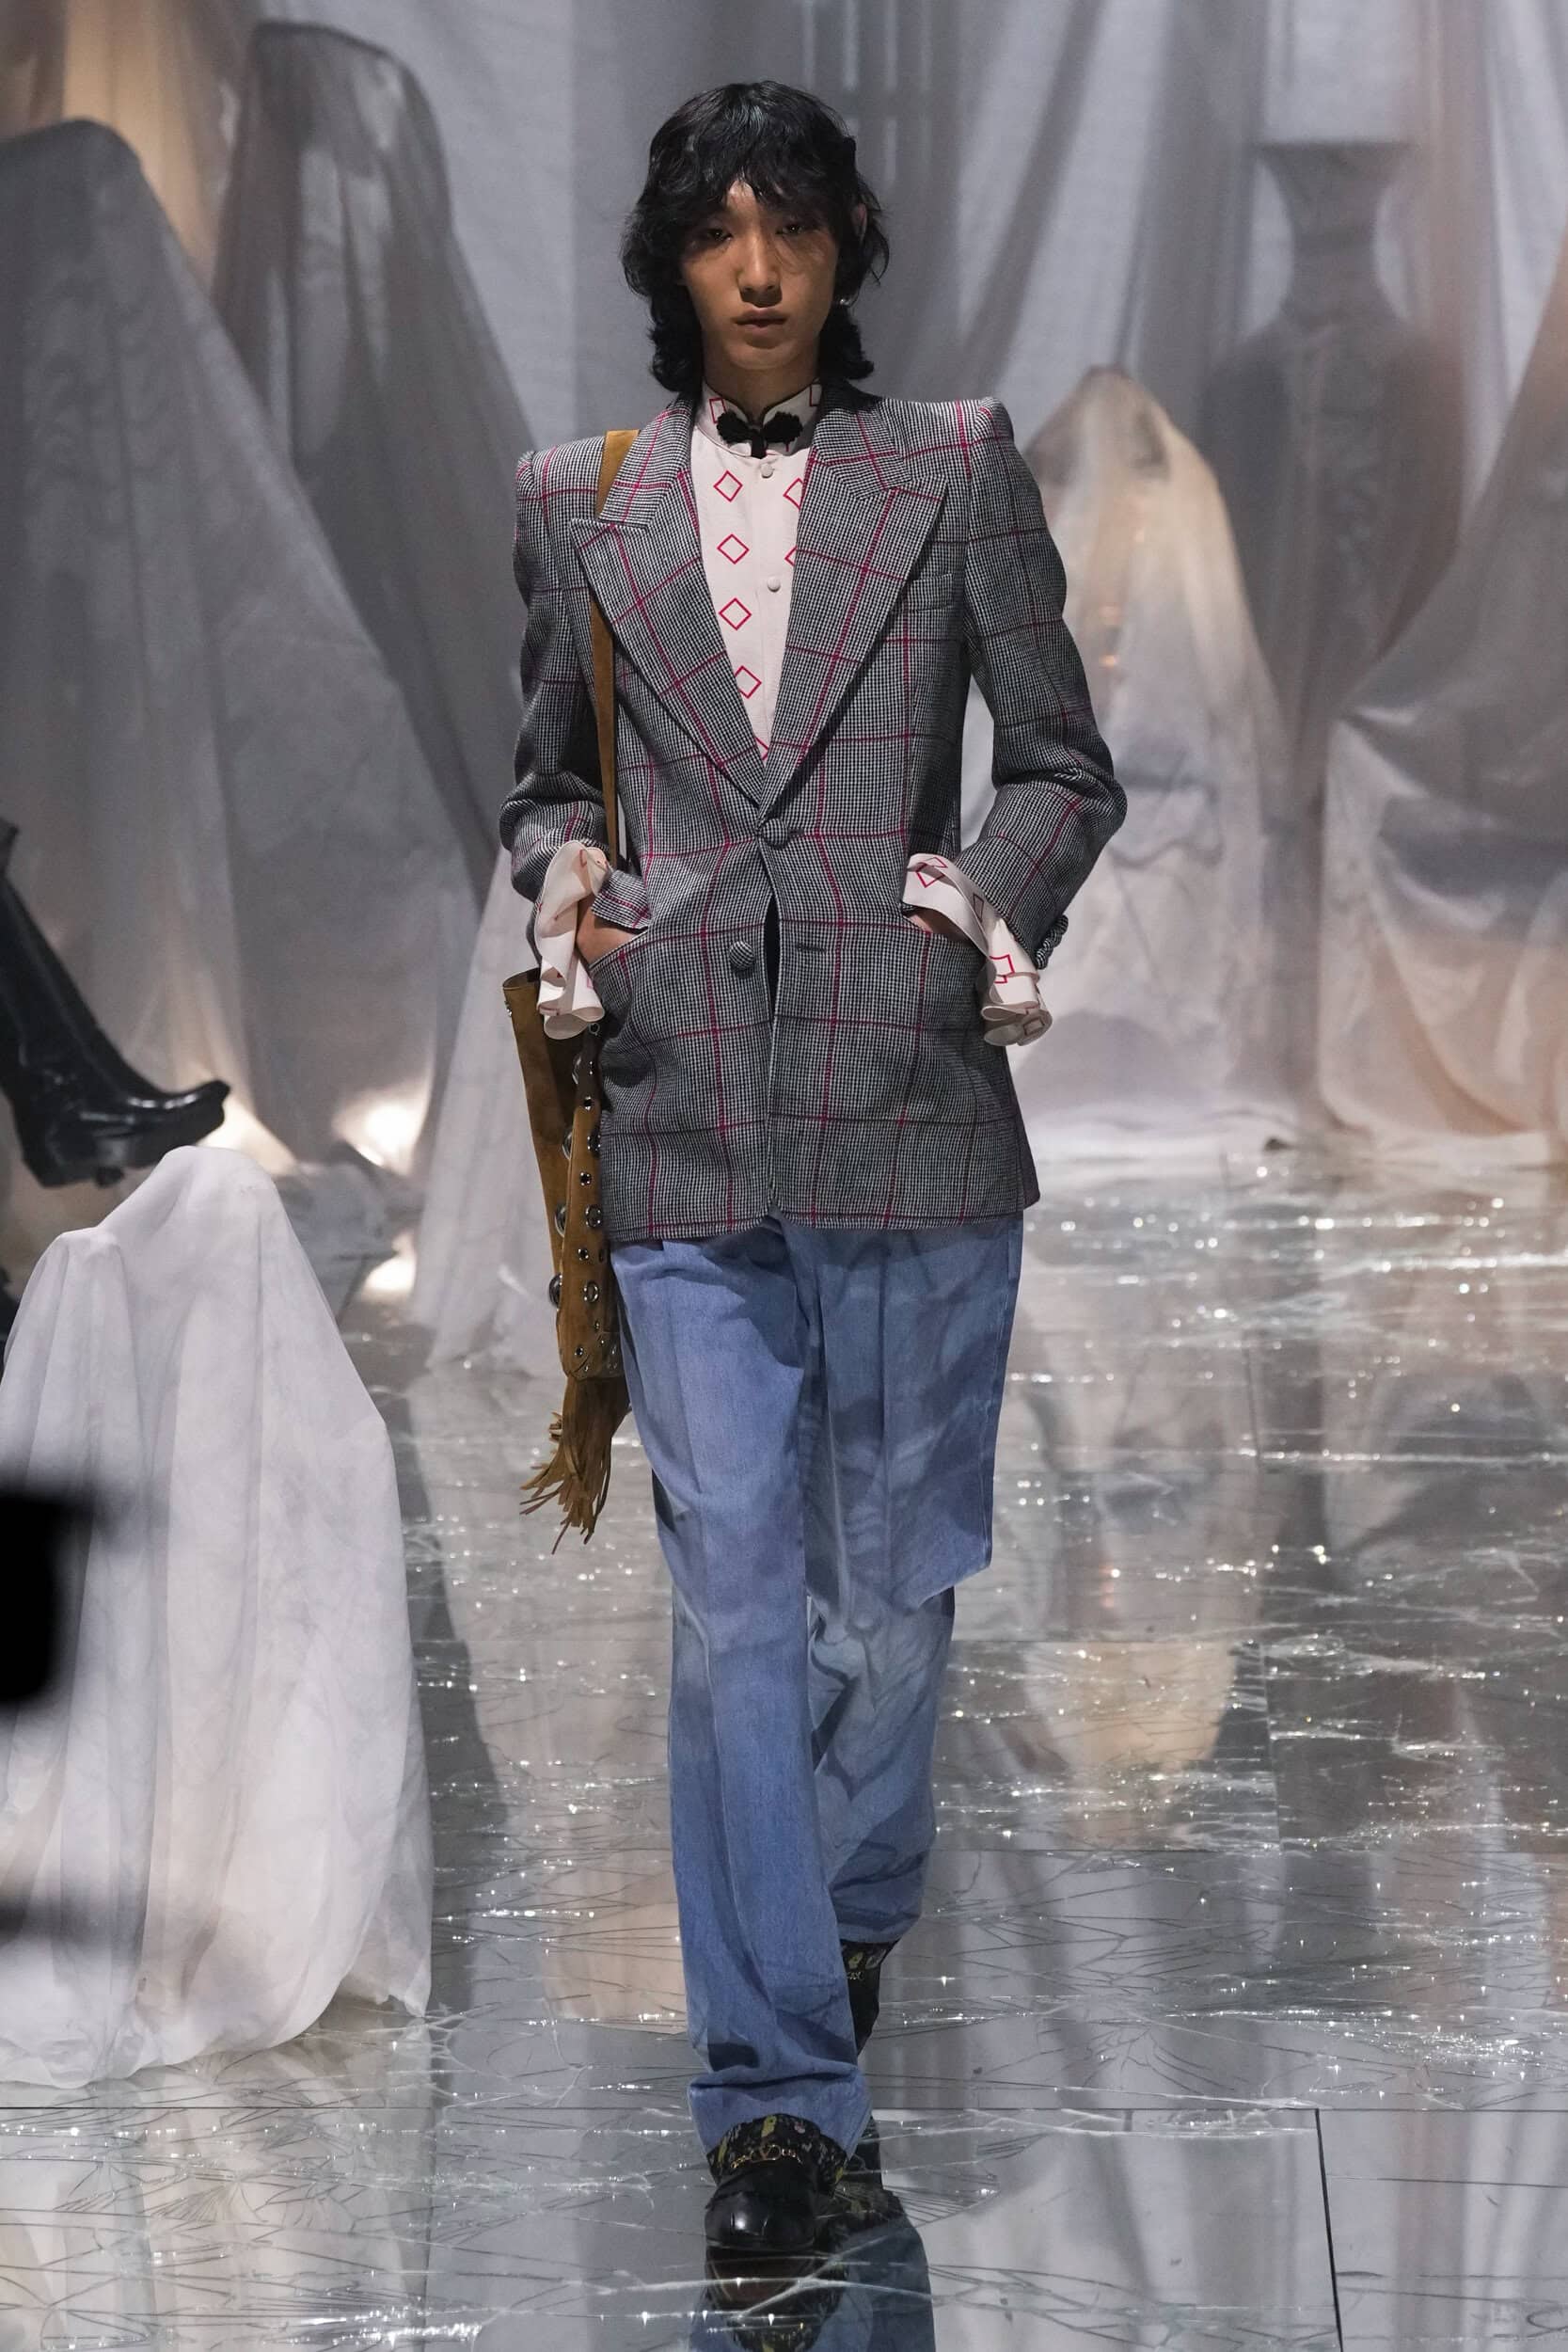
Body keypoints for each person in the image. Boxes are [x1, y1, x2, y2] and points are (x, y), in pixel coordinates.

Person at [500, 81, 1123, 2261]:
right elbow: (547, 783)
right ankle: (773, 2094)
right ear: (670, 262)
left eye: (792, 227)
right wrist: (575, 885)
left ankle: (848, 1896)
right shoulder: (575, 501)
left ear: (848, 246)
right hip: (683, 1109)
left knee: (891, 1595)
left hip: (913, 1102)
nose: (757, 269)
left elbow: (1062, 763)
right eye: (717, 232)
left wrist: (974, 914)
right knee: (734, 1612)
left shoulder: (952, 468)